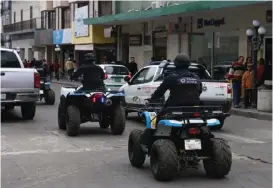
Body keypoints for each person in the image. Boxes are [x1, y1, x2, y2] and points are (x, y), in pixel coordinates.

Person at [140, 53, 202, 148]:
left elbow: (159, 92)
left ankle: (145, 146)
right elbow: (199, 91)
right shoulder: (196, 78)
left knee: (154, 123)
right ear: (189, 64)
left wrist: (152, 99)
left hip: (173, 110)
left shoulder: (171, 78)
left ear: (176, 64)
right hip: (193, 111)